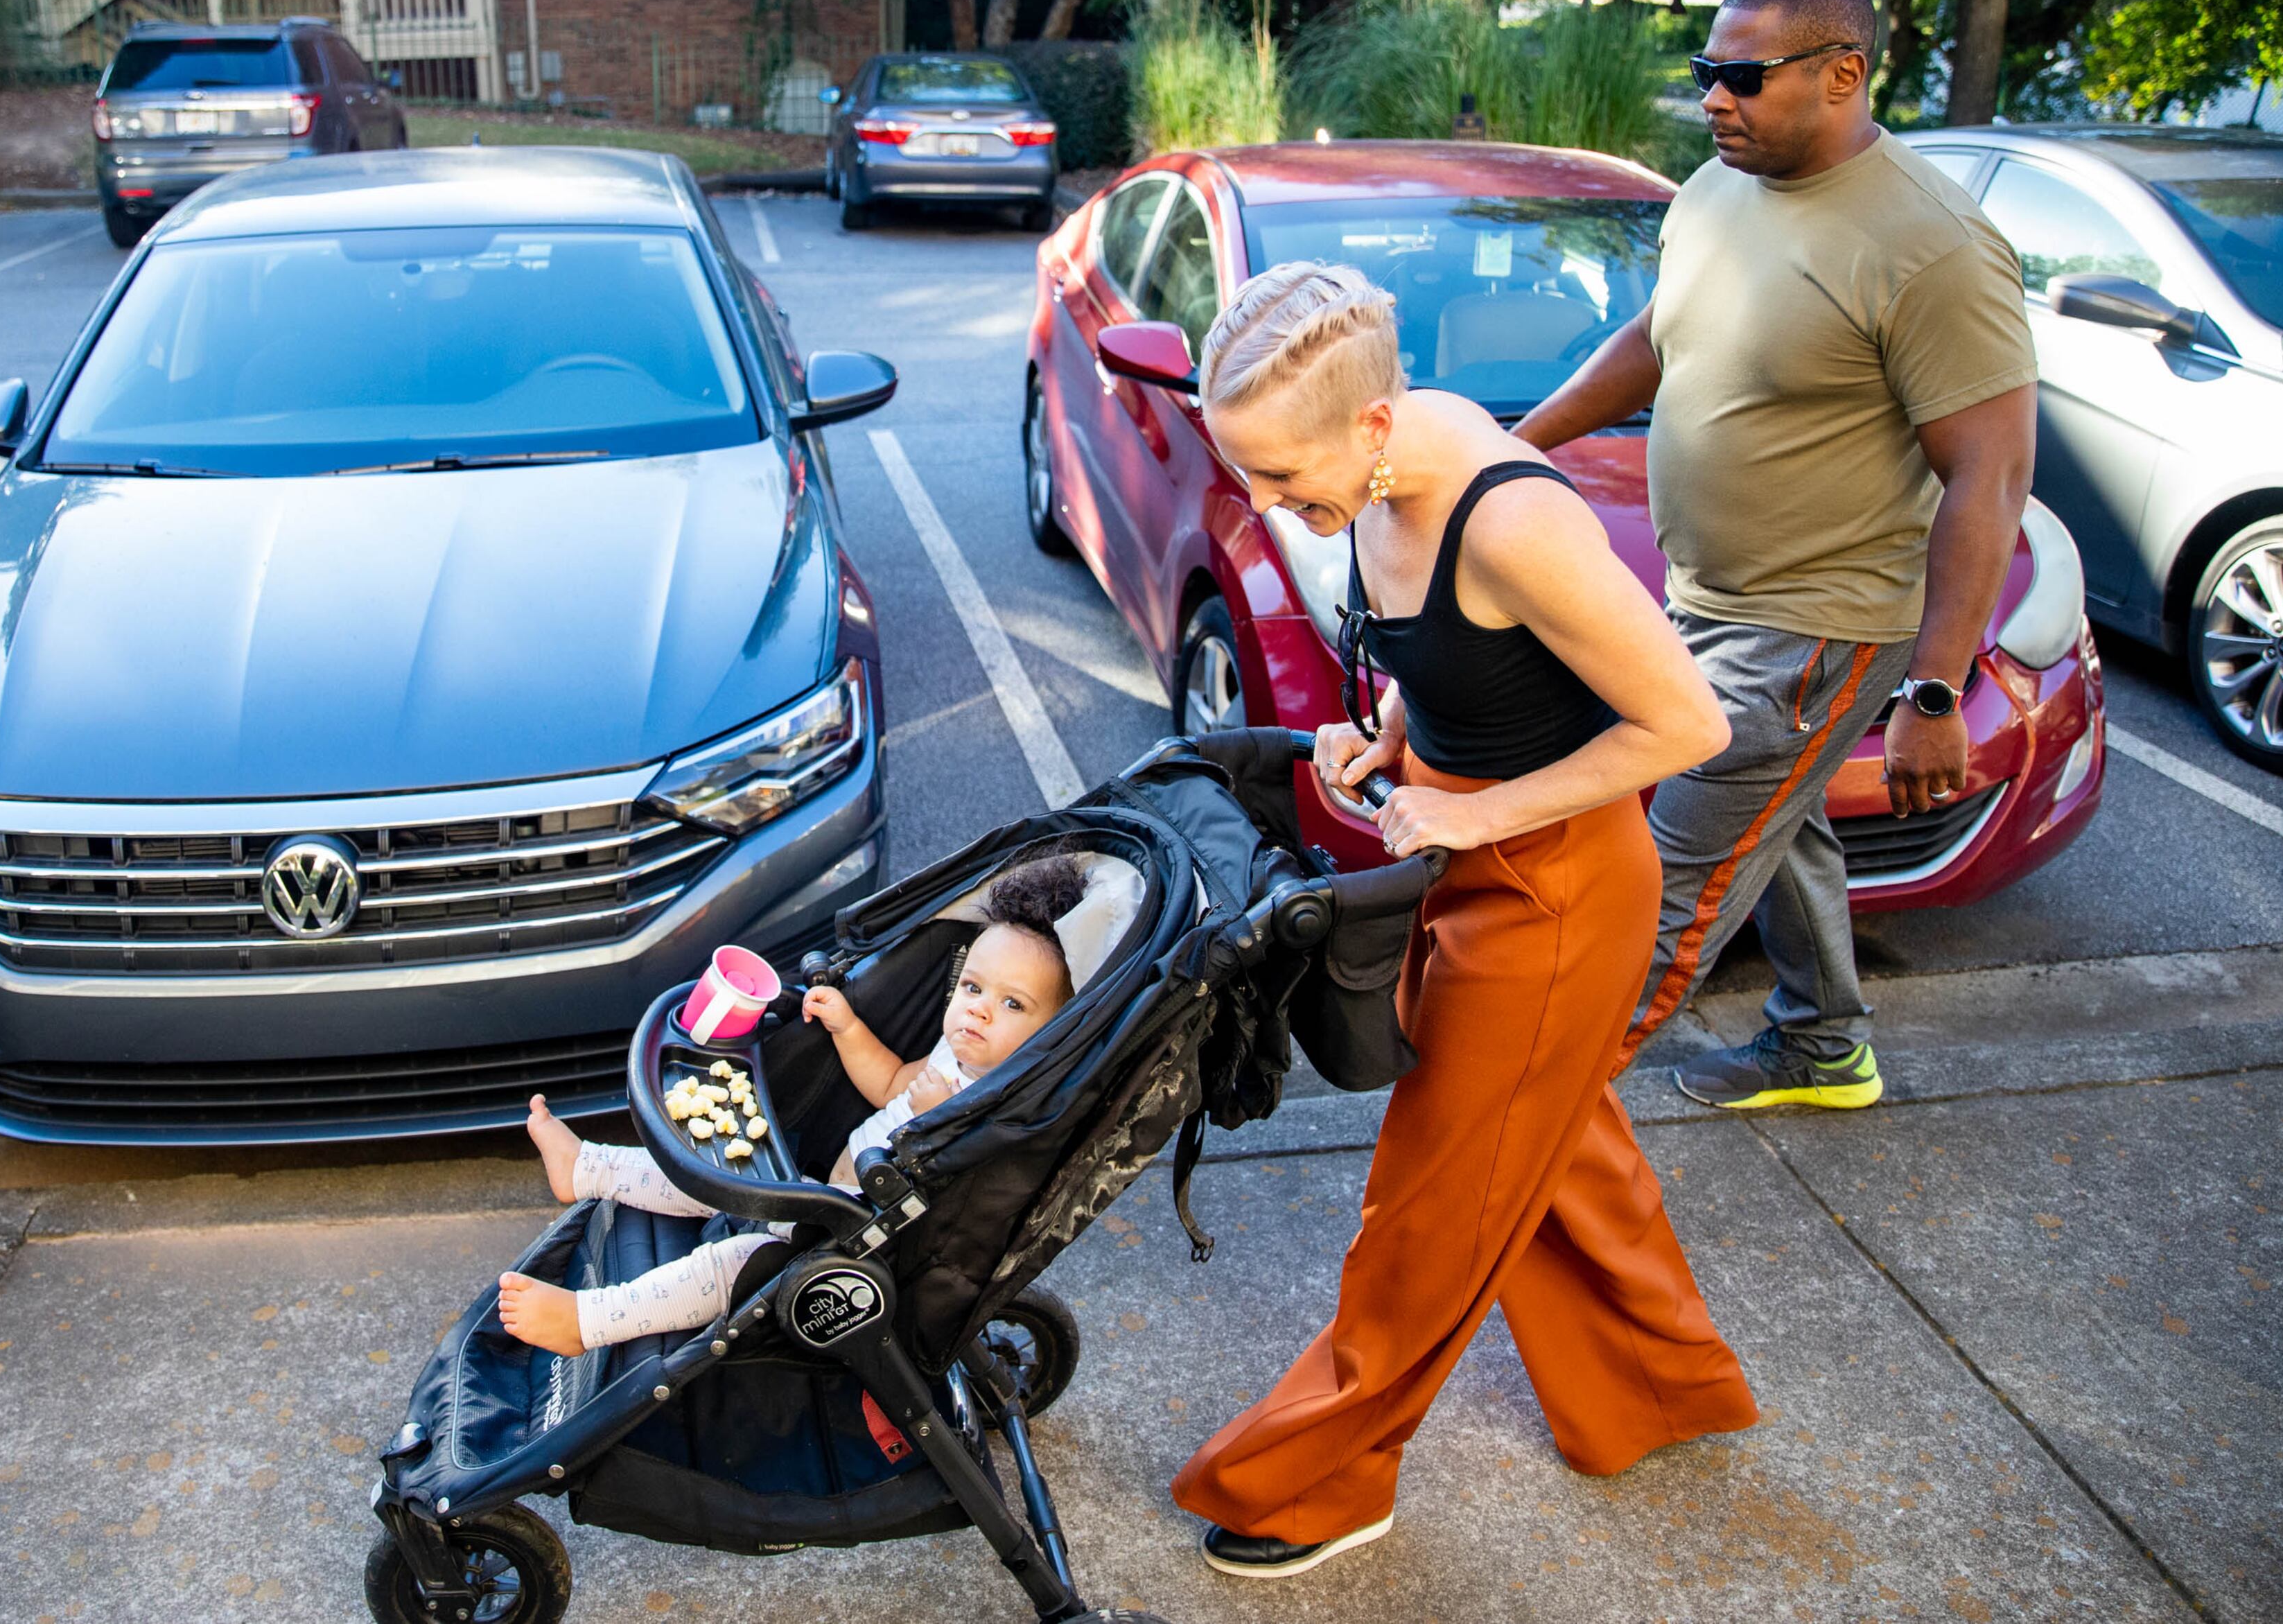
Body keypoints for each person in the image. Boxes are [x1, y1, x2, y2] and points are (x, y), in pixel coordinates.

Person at [1169, 260, 1758, 1580]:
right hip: (1463, 858)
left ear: (1374, 425)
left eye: (1281, 474)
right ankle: (1665, 1390)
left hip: (1556, 898)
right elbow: (1461, 664)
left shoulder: (1513, 517)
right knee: (1560, 1152)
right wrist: (1384, 740)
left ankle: (1329, 1477)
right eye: (1247, 472)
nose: (1265, 506)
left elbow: (1689, 725)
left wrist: (1472, 818)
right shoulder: (1379, 465)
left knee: (1432, 1200)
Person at [1514, 0, 2038, 1112]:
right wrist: (1518, 444)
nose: (1715, 100)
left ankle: (1530, 1124)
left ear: (1843, 72)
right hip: (1703, 596)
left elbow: (1989, 476)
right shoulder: (1716, 186)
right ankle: (1823, 1044)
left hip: (1813, 630)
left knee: (1665, 880)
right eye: (1708, 73)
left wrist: (1938, 692)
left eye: (1743, 78)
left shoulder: (1932, 245)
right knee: (1776, 819)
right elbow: (1660, 337)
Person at [497, 856, 1089, 1356]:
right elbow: (888, 1083)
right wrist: (849, 1026)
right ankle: (588, 1168)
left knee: (730, 1268)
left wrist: (935, 1124)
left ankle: (589, 1321)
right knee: (715, 1178)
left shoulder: (1007, 1103)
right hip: (823, 1197)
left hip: (853, 1242)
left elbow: (960, 1202)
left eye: (1014, 1005)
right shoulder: (952, 1053)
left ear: (1054, 1029)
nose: (981, 1010)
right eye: (973, 988)